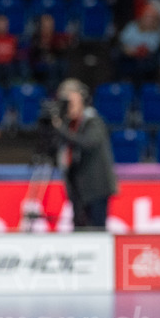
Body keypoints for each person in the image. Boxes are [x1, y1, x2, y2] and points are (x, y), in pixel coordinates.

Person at [50, 78, 117, 230]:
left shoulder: (93, 121)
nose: (68, 102)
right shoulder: (67, 123)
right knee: (79, 230)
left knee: (97, 231)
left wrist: (60, 129)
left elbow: (88, 142)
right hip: (77, 187)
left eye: (71, 96)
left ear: (81, 98)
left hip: (96, 188)